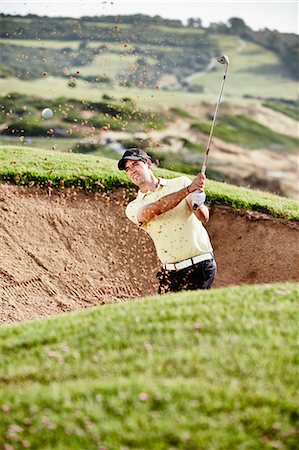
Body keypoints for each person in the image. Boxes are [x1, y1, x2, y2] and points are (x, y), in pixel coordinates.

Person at [118, 148, 216, 293]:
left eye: (135, 164)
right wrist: (188, 190)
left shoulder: (181, 183)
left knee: (186, 314)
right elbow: (156, 208)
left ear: (148, 164)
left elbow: (203, 217)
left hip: (199, 265)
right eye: (127, 169)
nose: (132, 170)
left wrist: (198, 204)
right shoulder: (133, 207)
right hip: (170, 272)